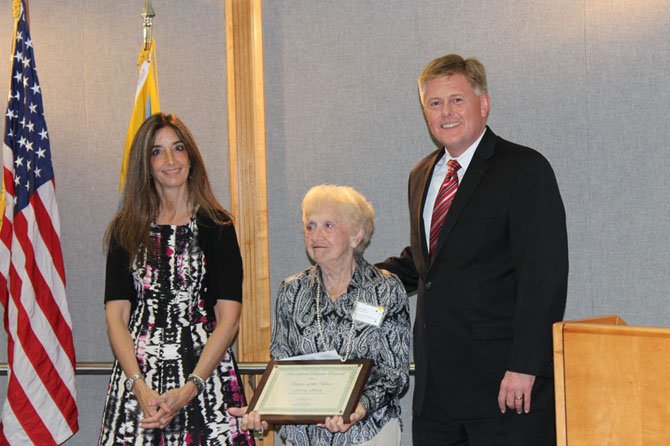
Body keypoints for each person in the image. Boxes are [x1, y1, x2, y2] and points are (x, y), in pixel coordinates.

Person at [378, 54, 569, 446]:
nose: (445, 112)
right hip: (435, 391)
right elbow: (427, 262)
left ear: (483, 104)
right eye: (434, 103)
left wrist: (525, 367)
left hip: (503, 386)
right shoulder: (420, 176)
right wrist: (355, 274)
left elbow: (544, 276)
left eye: (456, 100)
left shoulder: (524, 169)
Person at [98, 112, 254, 445]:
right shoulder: (125, 230)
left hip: (205, 379)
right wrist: (138, 386)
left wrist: (190, 388)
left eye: (178, 148)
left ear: (191, 157)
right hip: (140, 388)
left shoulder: (218, 226)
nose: (170, 160)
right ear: (145, 164)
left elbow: (229, 319)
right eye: (157, 151)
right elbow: (116, 318)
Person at [230, 184, 411, 445]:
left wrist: (358, 408)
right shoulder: (292, 291)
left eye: (328, 225)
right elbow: (282, 363)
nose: (316, 235)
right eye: (310, 226)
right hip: (303, 437)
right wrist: (263, 410)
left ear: (356, 235)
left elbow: (395, 372)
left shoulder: (384, 289)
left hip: (367, 432)